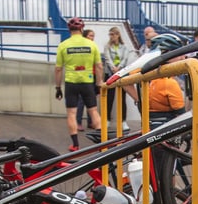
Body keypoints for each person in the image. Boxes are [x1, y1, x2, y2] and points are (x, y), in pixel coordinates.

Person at [54, 17, 104, 151]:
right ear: (82, 29)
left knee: (71, 113)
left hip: (71, 82)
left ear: (69, 30)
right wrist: (99, 83)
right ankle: (101, 144)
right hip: (88, 81)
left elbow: (58, 69)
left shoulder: (63, 45)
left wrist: (58, 87)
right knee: (93, 111)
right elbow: (99, 66)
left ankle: (75, 144)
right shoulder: (91, 44)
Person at [103, 26, 138, 122]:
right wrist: (113, 68)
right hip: (110, 73)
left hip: (121, 73)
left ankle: (123, 121)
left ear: (118, 35)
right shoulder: (107, 46)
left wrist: (119, 68)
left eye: (113, 34)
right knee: (109, 98)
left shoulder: (125, 46)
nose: (111, 37)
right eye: (110, 34)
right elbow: (107, 58)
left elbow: (125, 59)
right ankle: (107, 120)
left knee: (122, 98)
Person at [75, 28, 97, 131]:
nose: (92, 38)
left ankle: (91, 122)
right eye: (90, 36)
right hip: (82, 77)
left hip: (92, 76)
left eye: (93, 36)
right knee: (81, 101)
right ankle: (78, 122)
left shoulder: (93, 48)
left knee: (91, 101)